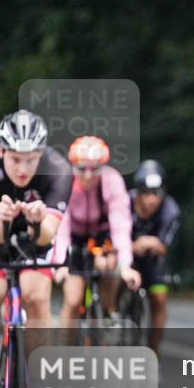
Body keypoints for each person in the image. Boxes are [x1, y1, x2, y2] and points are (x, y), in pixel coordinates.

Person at [0, 110, 72, 342]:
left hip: (34, 240)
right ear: (1, 151)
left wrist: (36, 222)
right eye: (15, 159)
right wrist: (2, 219)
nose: (23, 170)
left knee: (35, 297)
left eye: (31, 159)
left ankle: (37, 364)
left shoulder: (58, 169)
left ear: (41, 153)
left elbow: (46, 237)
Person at [54, 136, 142, 327]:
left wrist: (125, 265)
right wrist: (61, 263)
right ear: (73, 166)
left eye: (94, 169)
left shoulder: (112, 180)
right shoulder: (64, 181)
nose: (88, 175)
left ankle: (107, 313)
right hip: (74, 237)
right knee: (73, 300)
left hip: (103, 234)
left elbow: (120, 225)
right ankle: (65, 345)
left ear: (103, 166)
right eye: (81, 168)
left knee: (109, 266)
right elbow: (62, 228)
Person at [129, 160, 181, 357]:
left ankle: (154, 351)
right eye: (146, 193)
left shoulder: (171, 209)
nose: (151, 200)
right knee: (114, 278)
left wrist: (153, 245)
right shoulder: (123, 202)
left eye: (156, 194)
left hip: (154, 260)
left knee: (159, 299)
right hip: (128, 257)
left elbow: (165, 245)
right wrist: (133, 245)